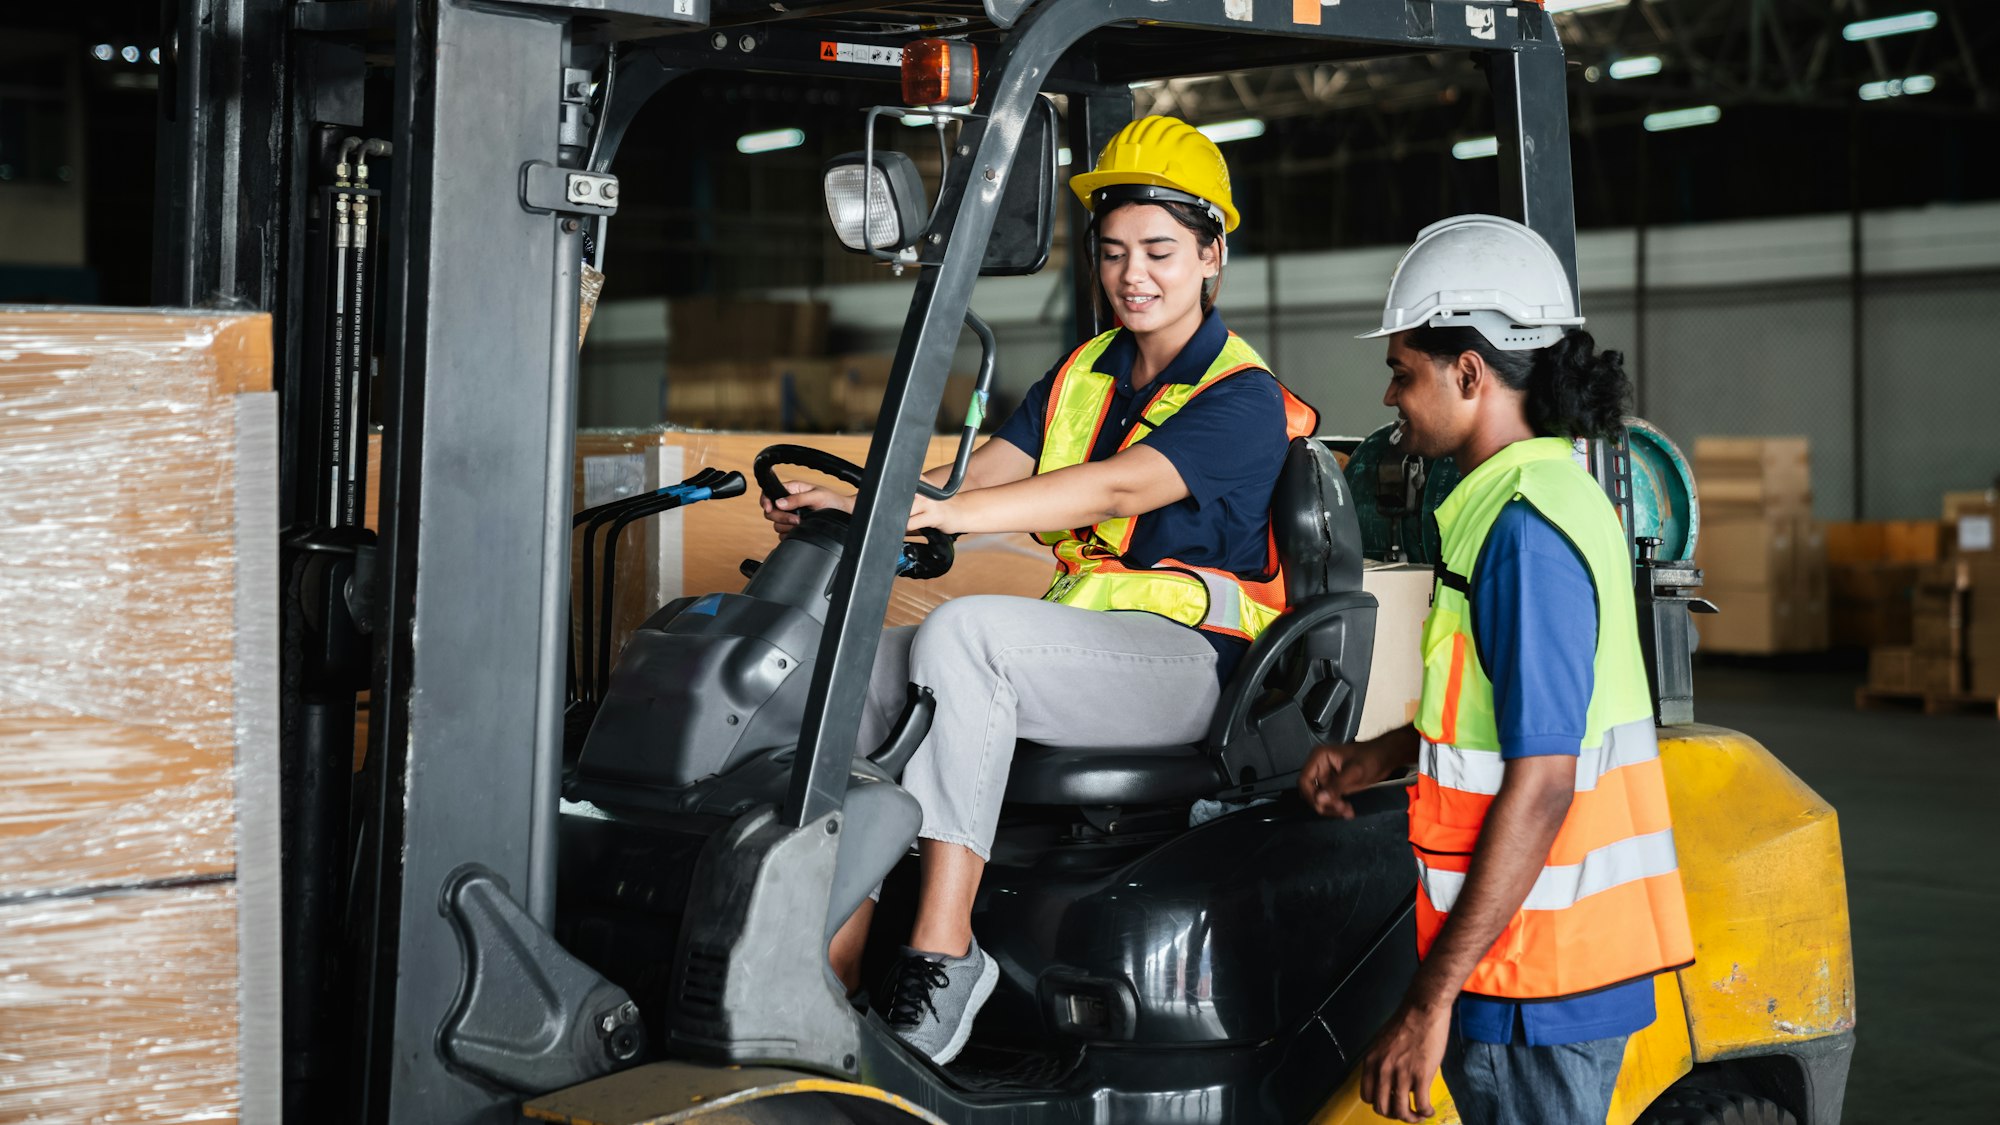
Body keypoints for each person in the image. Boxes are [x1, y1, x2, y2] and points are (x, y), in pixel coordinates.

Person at [761, 115, 1315, 1064]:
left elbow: (1116, 485)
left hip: (1192, 670)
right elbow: (968, 482)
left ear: (1213, 255)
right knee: (851, 664)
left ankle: (945, 951)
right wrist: (855, 502)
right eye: (1112, 253)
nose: (1132, 275)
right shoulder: (1081, 373)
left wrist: (945, 521)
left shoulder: (1242, 397)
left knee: (964, 634)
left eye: (1160, 252)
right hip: (1079, 654)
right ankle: (832, 952)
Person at [1299, 215, 1694, 1124]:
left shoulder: (1525, 532)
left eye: (1405, 371)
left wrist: (1426, 1002)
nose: (1392, 395)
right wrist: (1380, 756)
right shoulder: (1513, 504)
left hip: (1537, 981)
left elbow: (1544, 779)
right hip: (1521, 964)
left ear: (1469, 373)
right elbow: (1494, 710)